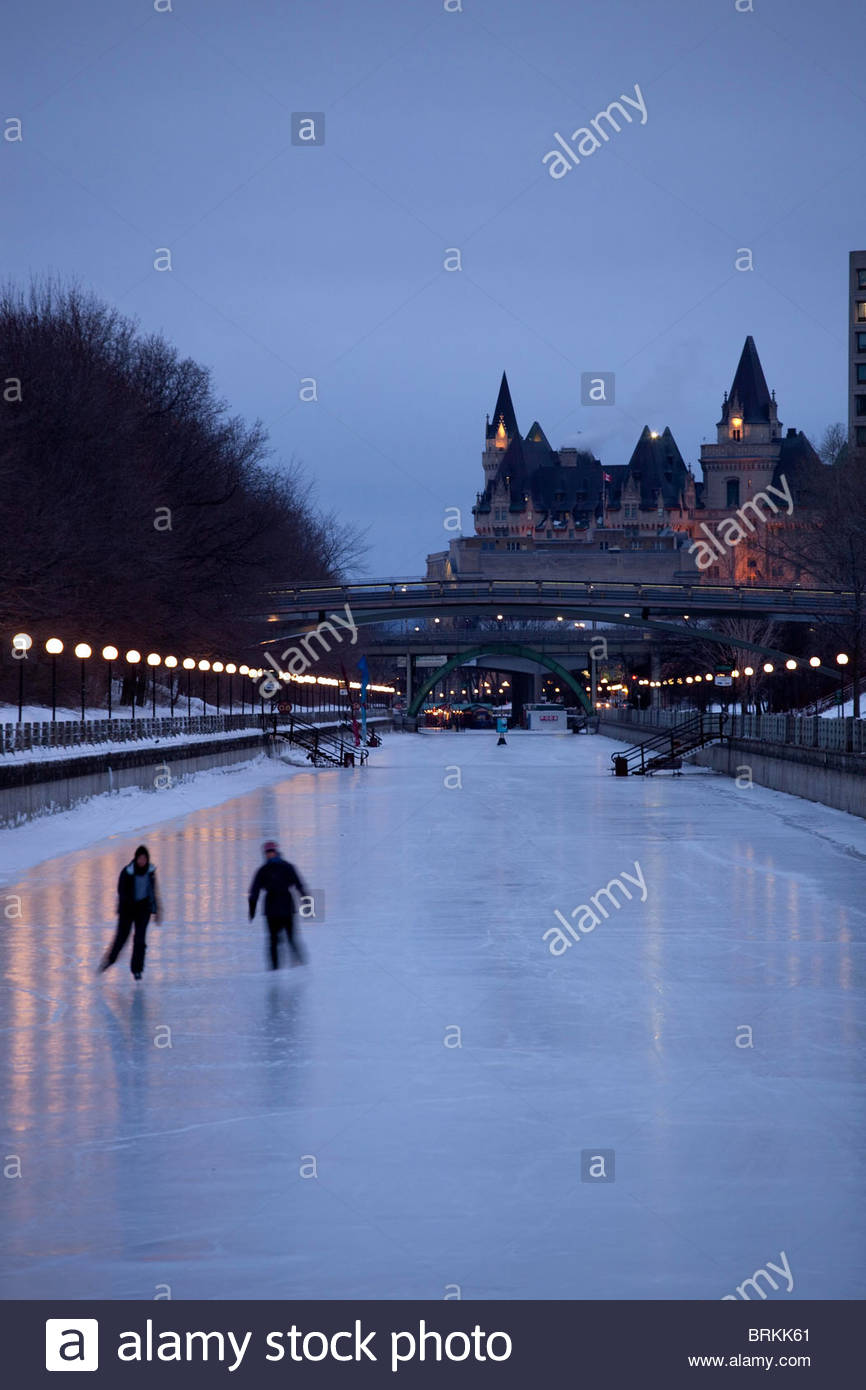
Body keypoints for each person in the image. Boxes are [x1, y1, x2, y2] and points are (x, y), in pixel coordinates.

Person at [99, 844, 160, 980]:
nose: (142, 861)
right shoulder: (127, 872)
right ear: (136, 858)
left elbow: (152, 891)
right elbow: (121, 891)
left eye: (144, 858)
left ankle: (137, 970)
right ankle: (109, 960)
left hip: (143, 910)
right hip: (128, 910)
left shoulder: (150, 872)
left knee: (140, 940)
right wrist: (127, 904)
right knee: (121, 938)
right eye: (140, 858)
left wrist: (155, 909)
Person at [248, 840, 308, 969]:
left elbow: (299, 885)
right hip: (271, 910)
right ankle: (274, 969)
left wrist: (306, 901)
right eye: (267, 852)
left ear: (276, 852)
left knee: (291, 938)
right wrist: (252, 908)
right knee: (273, 940)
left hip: (287, 908)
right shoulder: (263, 871)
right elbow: (255, 890)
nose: (270, 854)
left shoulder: (287, 867)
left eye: (272, 851)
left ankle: (300, 965)